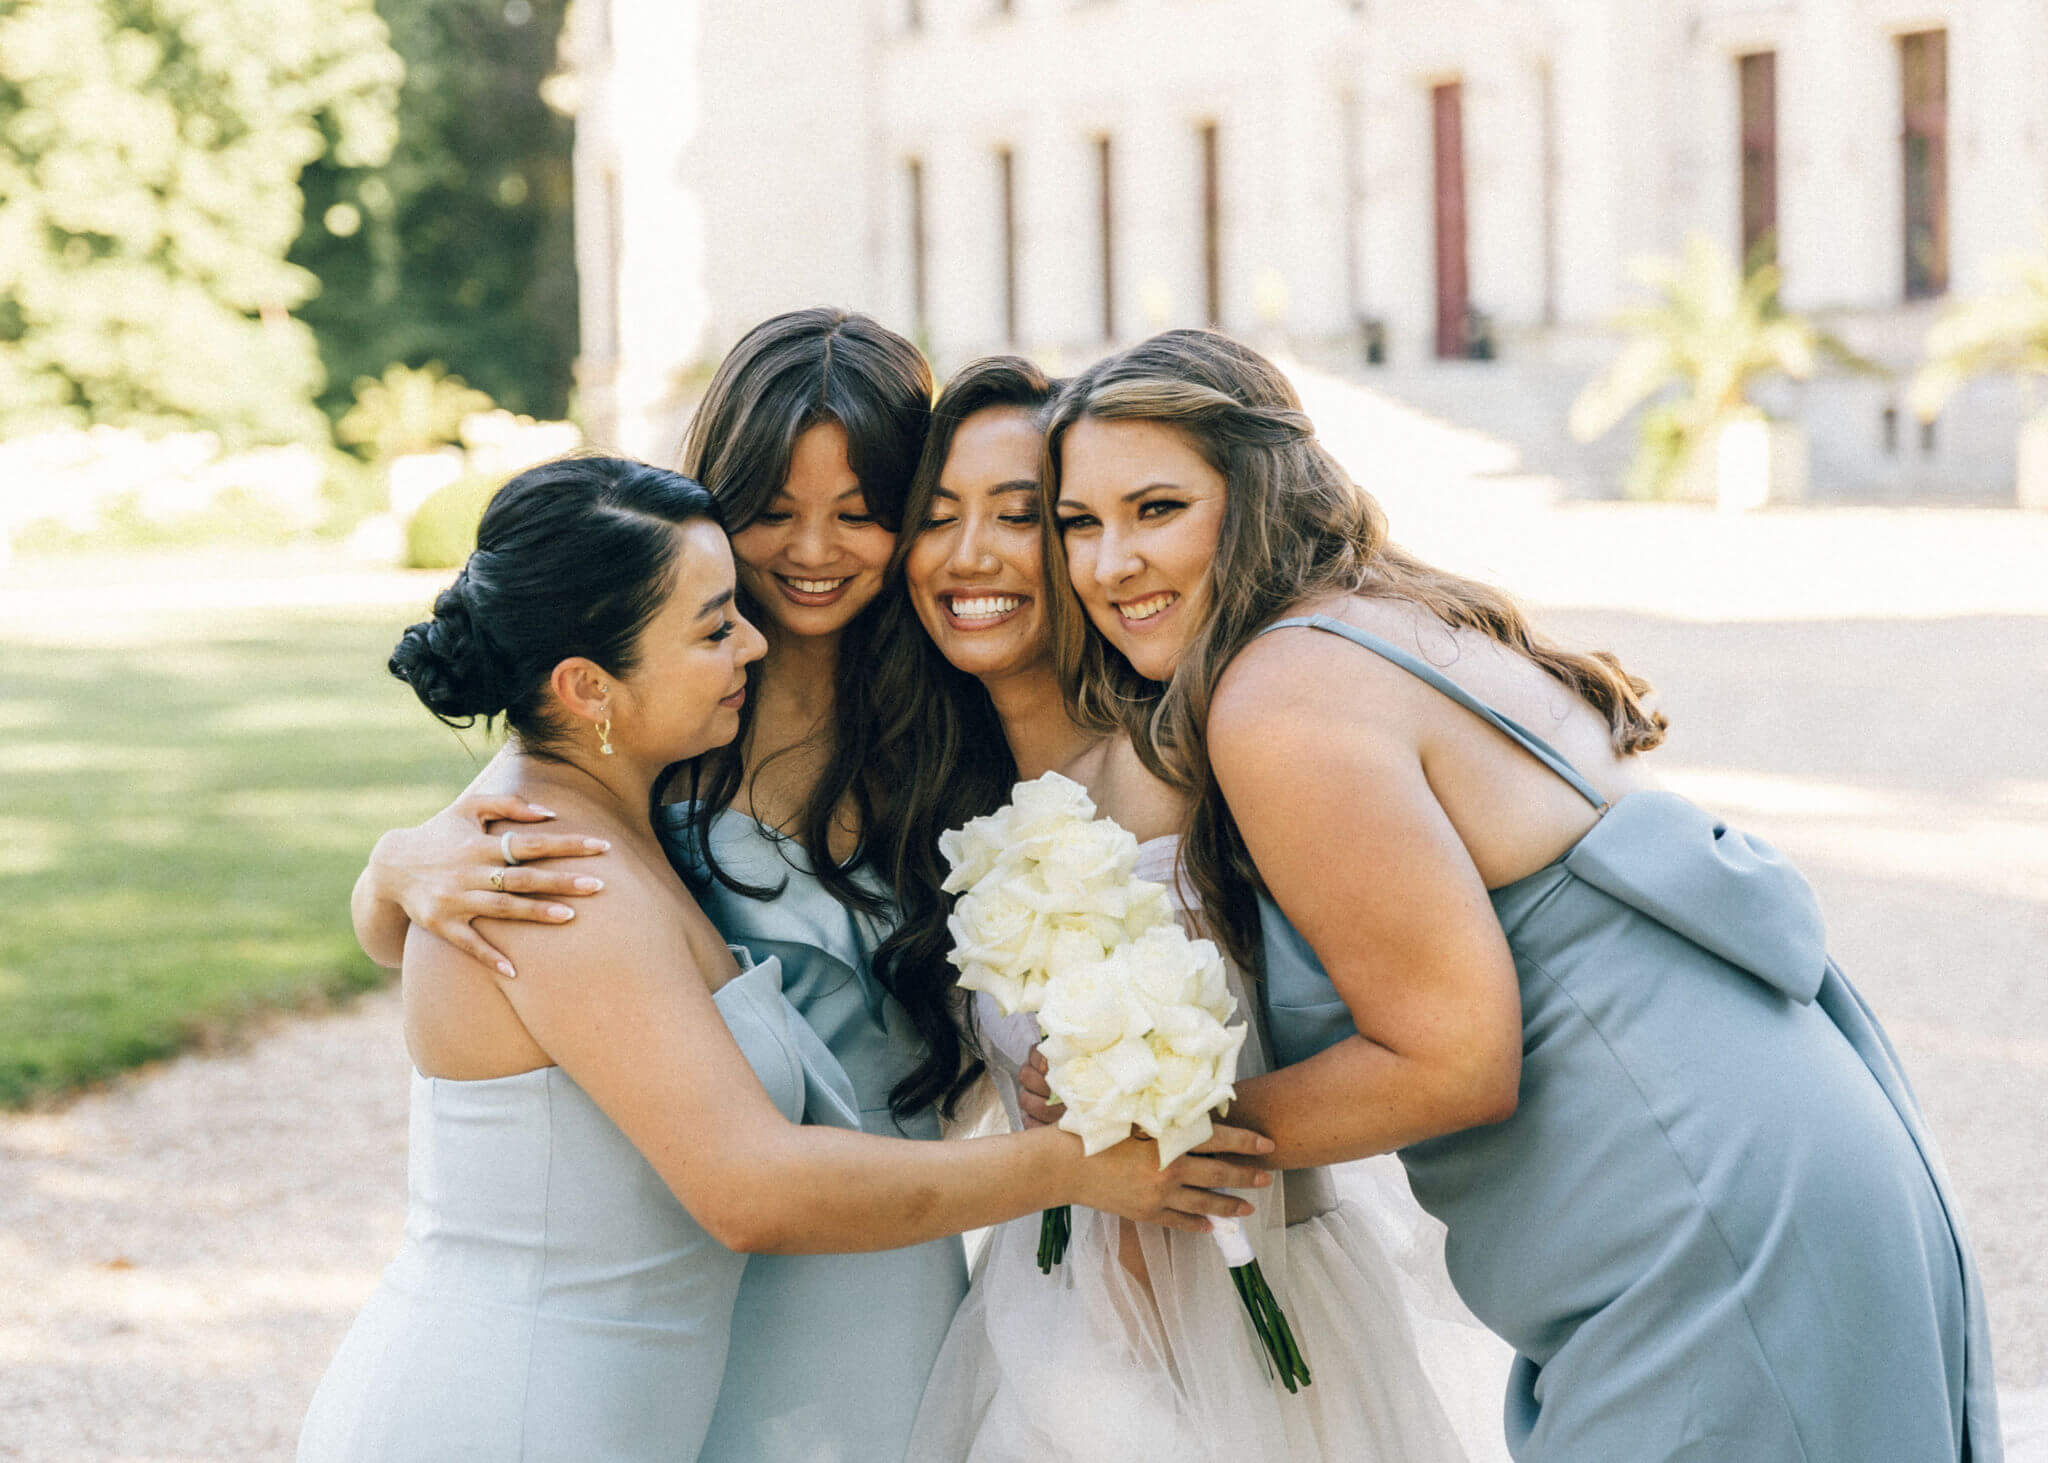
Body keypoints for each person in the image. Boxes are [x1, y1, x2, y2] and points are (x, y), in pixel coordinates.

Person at [1020, 328, 2001, 1462]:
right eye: (1078, 524)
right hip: (1774, 1160)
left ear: (1255, 493)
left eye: (1155, 509)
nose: (1108, 565)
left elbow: (1450, 1059)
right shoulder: (1374, 619)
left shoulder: (1279, 694)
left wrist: (1162, 1132)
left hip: (1704, 1222)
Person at [298, 454, 1276, 1463]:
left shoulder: (605, 829)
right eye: (715, 626)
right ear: (588, 686)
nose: (755, 642)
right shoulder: (551, 874)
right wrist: (1075, 1164)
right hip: (510, 1410)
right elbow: (748, 1188)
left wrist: (382, 875)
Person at [349, 309, 978, 1459]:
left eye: (859, 512)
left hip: (875, 1238)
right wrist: (393, 865)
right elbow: (494, 906)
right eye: (773, 511)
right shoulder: (653, 710)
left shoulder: (956, 728)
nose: (813, 550)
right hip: (677, 1261)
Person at [887, 357, 1474, 1462]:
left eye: (1021, 515)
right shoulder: (944, 800)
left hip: (1239, 1327)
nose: (970, 553)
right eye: (935, 516)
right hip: (1046, 1324)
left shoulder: (1203, 754)